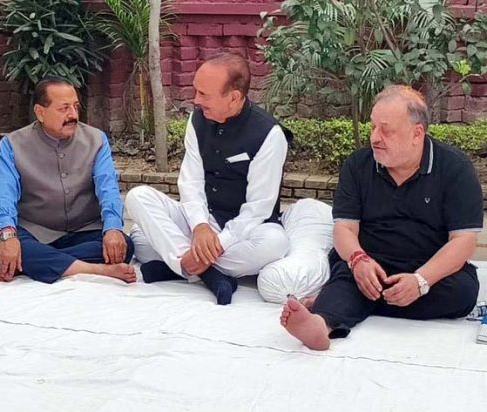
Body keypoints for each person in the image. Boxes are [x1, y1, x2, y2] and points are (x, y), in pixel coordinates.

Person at [281, 85, 483, 350]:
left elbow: (463, 241)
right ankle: (322, 323)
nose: (375, 137)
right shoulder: (358, 165)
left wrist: (420, 281)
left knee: (463, 292)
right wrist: (358, 260)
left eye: (386, 130)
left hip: (427, 265)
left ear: (416, 133)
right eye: (373, 127)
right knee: (348, 275)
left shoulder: (455, 168)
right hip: (370, 262)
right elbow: (344, 229)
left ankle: (340, 304)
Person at [125, 52, 292, 305]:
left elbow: (258, 208)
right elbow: (190, 181)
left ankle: (179, 266)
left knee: (275, 244)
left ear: (234, 97)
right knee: (138, 199)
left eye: (204, 95)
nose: (195, 100)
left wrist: (219, 242)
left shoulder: (269, 134)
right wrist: (200, 226)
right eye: (196, 91)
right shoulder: (197, 119)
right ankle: (208, 274)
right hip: (202, 221)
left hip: (245, 230)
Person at [0, 77, 135, 284]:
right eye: (63, 108)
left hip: (85, 230)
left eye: (75, 107)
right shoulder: (13, 145)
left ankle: (38, 262)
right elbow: (4, 195)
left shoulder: (96, 140)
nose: (73, 115)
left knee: (124, 245)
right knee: (0, 243)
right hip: (36, 230)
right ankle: (96, 270)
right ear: (40, 112)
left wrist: (112, 229)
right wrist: (8, 235)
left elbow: (108, 188)